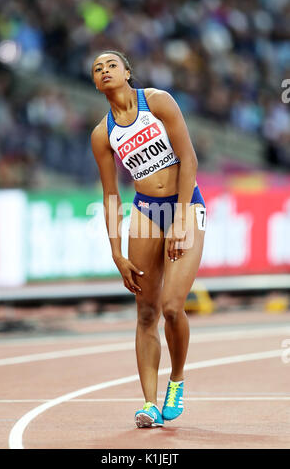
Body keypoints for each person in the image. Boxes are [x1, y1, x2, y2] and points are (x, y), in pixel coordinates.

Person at [91, 50, 206, 428]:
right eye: (97, 69)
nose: (105, 71)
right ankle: (149, 404)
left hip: (184, 204)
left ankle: (177, 379)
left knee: (172, 307)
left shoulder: (157, 102)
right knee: (145, 313)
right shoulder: (102, 134)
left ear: (127, 72)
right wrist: (116, 253)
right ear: (95, 83)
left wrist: (181, 218)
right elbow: (111, 196)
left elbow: (188, 158)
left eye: (111, 65)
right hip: (145, 212)